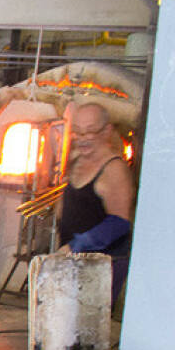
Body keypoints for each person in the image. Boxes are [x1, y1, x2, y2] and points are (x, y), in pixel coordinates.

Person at [57, 102, 136, 306]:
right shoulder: (77, 160)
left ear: (107, 131)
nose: (82, 140)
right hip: (75, 262)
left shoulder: (114, 169)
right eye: (78, 132)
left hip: (102, 267)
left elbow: (120, 223)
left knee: (86, 329)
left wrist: (76, 246)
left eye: (90, 132)